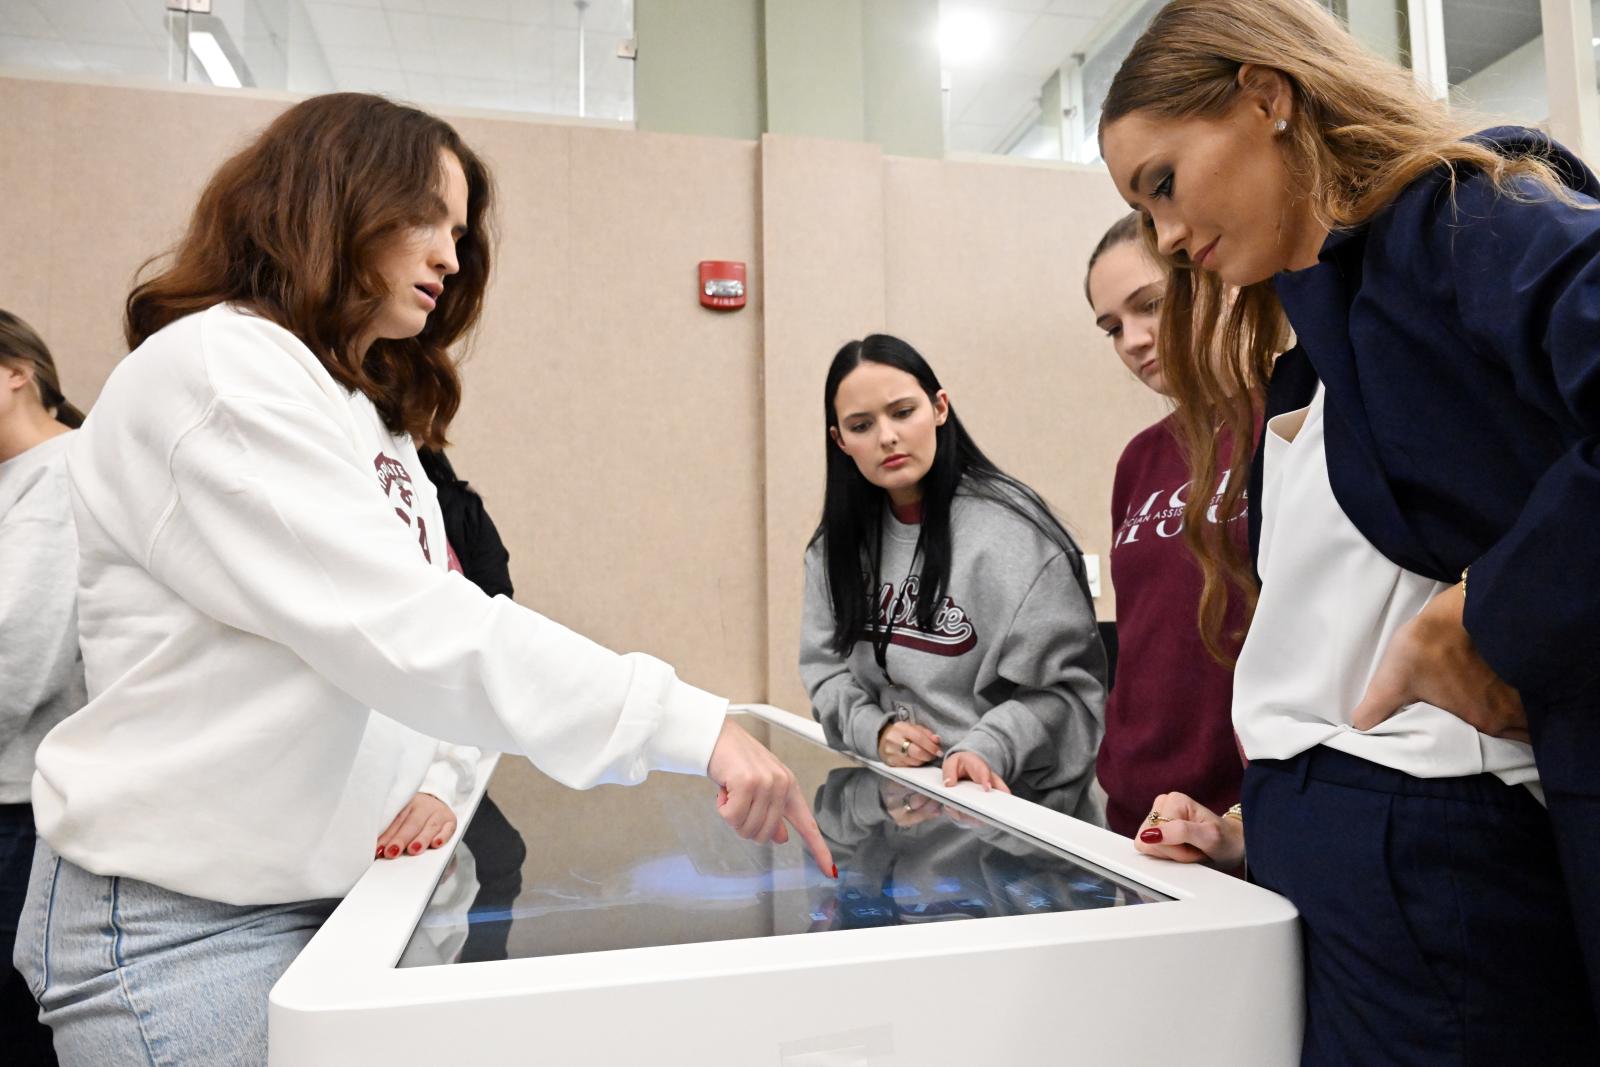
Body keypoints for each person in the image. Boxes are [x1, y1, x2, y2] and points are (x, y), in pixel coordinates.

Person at [13, 93, 832, 1067]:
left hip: (345, 894)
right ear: (332, 201)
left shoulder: (364, 409)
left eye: (459, 229)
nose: (451, 253)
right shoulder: (219, 369)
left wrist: (441, 774)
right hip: (190, 924)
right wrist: (687, 723)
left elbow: (442, 617)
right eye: (427, 219)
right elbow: (403, 625)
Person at [1097, 0, 1600, 1061]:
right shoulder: (1327, 332)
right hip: (1340, 856)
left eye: (1162, 186)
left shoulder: (1464, 214)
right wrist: (1251, 826)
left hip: (1432, 854)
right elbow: (1342, 627)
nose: (1172, 240)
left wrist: (1488, 618)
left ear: (1263, 97)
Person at [800, 334, 1106, 811]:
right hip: (896, 813)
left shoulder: (1017, 535)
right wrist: (873, 730)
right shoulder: (833, 549)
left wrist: (989, 747)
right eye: (861, 425)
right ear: (840, 441)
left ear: (940, 408)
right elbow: (827, 670)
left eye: (903, 412)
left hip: (1009, 824)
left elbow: (1071, 698)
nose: (886, 437)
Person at [1084, 214, 1248, 838]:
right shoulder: (1141, 457)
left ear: (1212, 277)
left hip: (1238, 817)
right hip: (1135, 811)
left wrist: (1244, 819)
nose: (1131, 339)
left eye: (1148, 305)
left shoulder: (1291, 425)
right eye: (1111, 328)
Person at [0, 310, 83, 1067]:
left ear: (16, 370)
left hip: (23, 811)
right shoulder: (21, 479)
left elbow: (14, 654)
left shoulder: (61, 473)